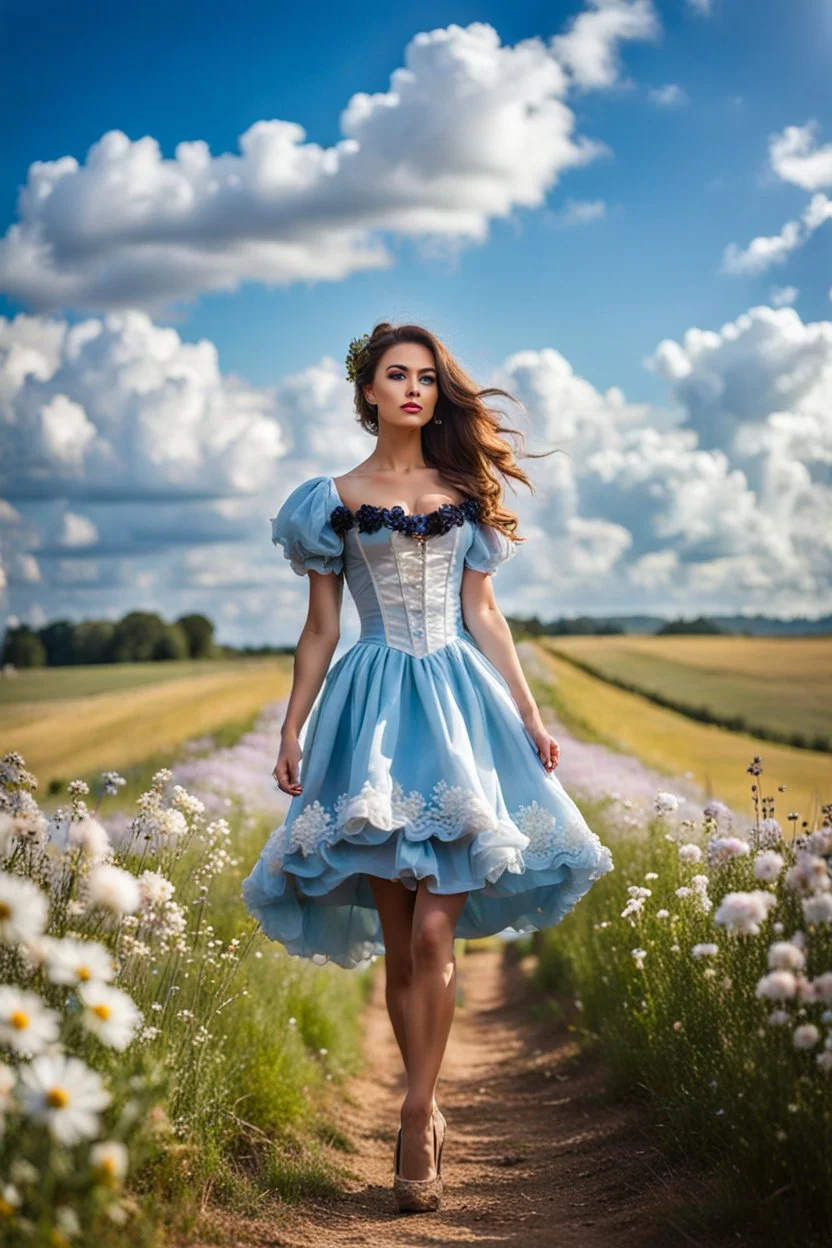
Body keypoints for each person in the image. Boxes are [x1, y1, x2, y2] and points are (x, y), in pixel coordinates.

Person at [242, 321, 615, 1214]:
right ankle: (430, 1102)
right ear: (367, 390)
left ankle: (416, 1115)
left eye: (426, 378)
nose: (414, 390)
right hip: (368, 714)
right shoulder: (327, 499)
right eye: (395, 376)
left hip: (458, 707)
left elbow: (485, 615)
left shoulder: (462, 490)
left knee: (436, 935)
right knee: (401, 942)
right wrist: (293, 728)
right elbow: (321, 631)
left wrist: (528, 712)